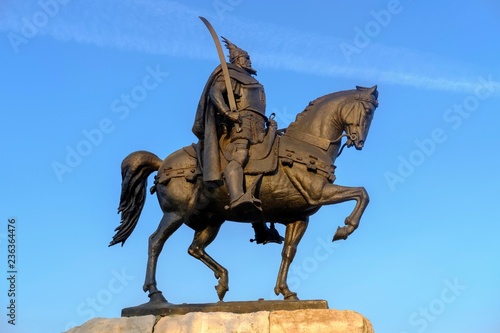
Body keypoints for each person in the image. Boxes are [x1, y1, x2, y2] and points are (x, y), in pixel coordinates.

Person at [192, 37, 283, 244]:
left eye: (249, 58)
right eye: (245, 58)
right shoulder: (231, 75)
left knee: (266, 164)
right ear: (236, 59)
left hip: (258, 128)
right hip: (240, 128)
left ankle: (261, 227)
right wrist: (227, 112)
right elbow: (216, 93)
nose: (249, 61)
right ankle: (236, 197)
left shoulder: (252, 80)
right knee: (241, 157)